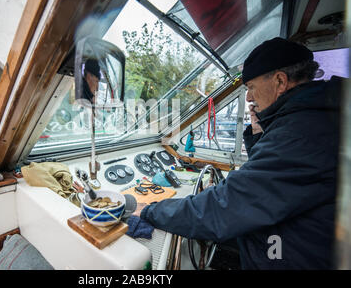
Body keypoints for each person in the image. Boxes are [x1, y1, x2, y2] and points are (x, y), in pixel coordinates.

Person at [139, 37, 342, 269]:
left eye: (251, 87)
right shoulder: (313, 117)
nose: (249, 98)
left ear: (280, 81)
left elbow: (226, 208)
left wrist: (150, 210)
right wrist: (258, 133)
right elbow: (274, 188)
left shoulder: (301, 131)